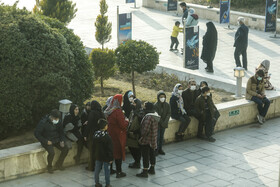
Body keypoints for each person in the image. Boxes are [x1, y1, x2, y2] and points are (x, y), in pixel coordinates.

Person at [34, 109, 69, 174]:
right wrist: (45, 141)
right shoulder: (43, 122)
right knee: (52, 153)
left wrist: (62, 140)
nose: (57, 120)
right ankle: (49, 167)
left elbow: (61, 132)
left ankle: (59, 164)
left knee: (66, 149)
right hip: (47, 140)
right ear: (51, 117)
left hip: (56, 139)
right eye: (55, 118)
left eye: (58, 118)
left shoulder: (58, 121)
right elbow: (37, 134)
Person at [105, 94, 129, 178]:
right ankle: (119, 172)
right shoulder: (118, 111)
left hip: (110, 134)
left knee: (111, 153)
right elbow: (122, 125)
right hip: (117, 136)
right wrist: (127, 121)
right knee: (118, 154)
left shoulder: (109, 109)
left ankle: (110, 170)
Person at [136, 102, 160, 178]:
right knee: (152, 154)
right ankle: (152, 168)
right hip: (153, 138)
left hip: (147, 139)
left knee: (145, 155)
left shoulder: (148, 117)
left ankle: (145, 171)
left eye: (144, 106)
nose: (143, 107)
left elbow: (145, 130)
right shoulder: (155, 114)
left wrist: (141, 135)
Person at [84, 101, 105, 171]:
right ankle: (100, 166)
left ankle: (92, 166)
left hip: (93, 134)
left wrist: (85, 135)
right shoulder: (101, 113)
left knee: (92, 151)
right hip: (101, 134)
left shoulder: (92, 113)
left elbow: (89, 125)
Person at [94, 119, 113, 187]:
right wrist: (111, 158)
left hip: (97, 155)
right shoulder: (107, 137)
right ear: (105, 126)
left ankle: (97, 183)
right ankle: (107, 184)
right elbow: (110, 149)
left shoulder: (95, 135)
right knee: (107, 171)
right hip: (106, 157)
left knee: (97, 169)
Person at [127, 98, 144, 169]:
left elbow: (142, 126)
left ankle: (137, 162)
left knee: (137, 149)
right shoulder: (133, 112)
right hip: (131, 134)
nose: (132, 104)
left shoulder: (141, 114)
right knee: (131, 147)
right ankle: (136, 161)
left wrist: (135, 132)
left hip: (137, 135)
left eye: (134, 103)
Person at [154, 90, 171, 155]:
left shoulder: (167, 105)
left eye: (163, 97)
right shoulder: (156, 105)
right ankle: (156, 149)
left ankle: (160, 149)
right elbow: (156, 115)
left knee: (161, 137)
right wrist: (161, 122)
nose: (162, 98)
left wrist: (165, 121)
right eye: (161, 97)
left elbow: (168, 113)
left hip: (164, 124)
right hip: (158, 124)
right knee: (157, 137)